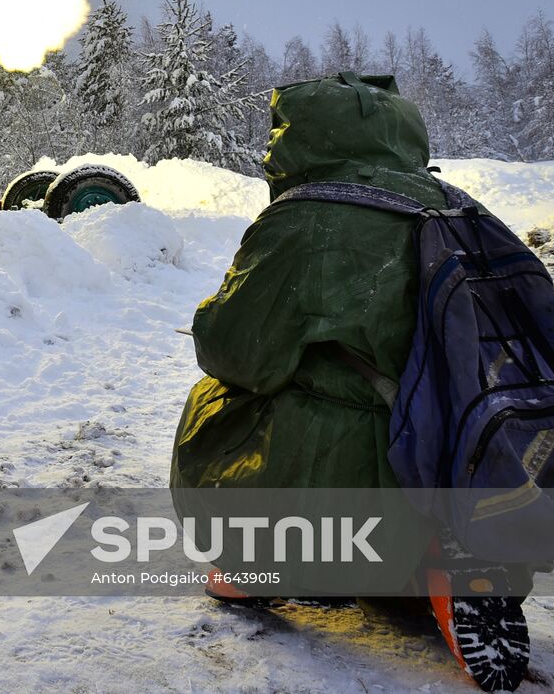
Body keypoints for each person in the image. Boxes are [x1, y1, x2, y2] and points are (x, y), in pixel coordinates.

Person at [170, 74, 531, 692]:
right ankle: (429, 565)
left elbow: (237, 350)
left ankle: (261, 563)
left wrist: (213, 316)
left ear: (302, 138)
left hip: (354, 474)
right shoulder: (457, 205)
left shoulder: (305, 216)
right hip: (470, 463)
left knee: (217, 401)